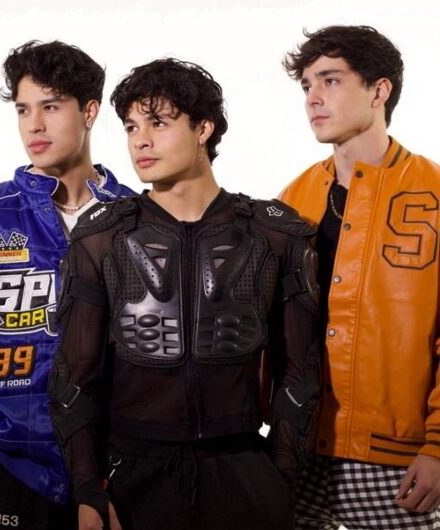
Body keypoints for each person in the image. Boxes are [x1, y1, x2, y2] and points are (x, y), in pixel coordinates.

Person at [49, 57, 320, 530]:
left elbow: (300, 372)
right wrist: (88, 488)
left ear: (204, 129)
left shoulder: (273, 236)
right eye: (131, 127)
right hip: (134, 476)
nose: (141, 140)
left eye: (158, 122)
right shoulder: (102, 239)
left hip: (242, 469)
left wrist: (279, 476)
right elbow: (74, 379)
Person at [0, 40, 134, 530]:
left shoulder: (136, 217)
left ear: (89, 112)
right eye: (23, 109)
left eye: (51, 106)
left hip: (121, 472)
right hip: (15, 472)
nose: (34, 125)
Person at [280, 24, 440, 529]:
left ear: (379, 90)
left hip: (398, 461)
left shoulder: (435, 194)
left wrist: (439, 447)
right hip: (299, 447)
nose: (313, 98)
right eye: (307, 85)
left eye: (330, 80)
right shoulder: (293, 199)